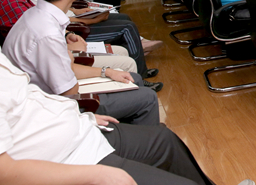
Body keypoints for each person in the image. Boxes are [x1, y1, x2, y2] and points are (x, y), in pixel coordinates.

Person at [0, 51, 233, 185]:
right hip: (67, 159)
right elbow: (4, 172)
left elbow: (27, 101)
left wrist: (81, 116)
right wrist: (96, 174)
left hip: (79, 131)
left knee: (164, 138)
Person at [3, 0, 160, 125]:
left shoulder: (37, 15)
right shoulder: (47, 34)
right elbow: (68, 91)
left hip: (49, 93)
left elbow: (65, 70)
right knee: (147, 97)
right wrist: (70, 57)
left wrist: (107, 72)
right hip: (54, 107)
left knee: (134, 78)